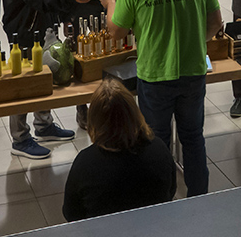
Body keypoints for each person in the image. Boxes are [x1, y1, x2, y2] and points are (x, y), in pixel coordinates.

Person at [100, 0, 222, 197]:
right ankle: (199, 197)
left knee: (157, 143)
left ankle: (162, 198)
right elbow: (216, 23)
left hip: (155, 77)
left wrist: (111, 4)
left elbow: (117, 32)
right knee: (193, 138)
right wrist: (193, 43)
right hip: (193, 72)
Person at [1, 0, 90, 158]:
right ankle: (20, 138)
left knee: (45, 75)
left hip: (41, 24)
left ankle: (44, 125)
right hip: (24, 29)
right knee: (26, 81)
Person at [62, 77, 176, 222]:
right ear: (134, 113)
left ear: (94, 120)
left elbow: (71, 213)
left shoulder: (85, 163)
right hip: (155, 236)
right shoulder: (159, 149)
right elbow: (170, 192)